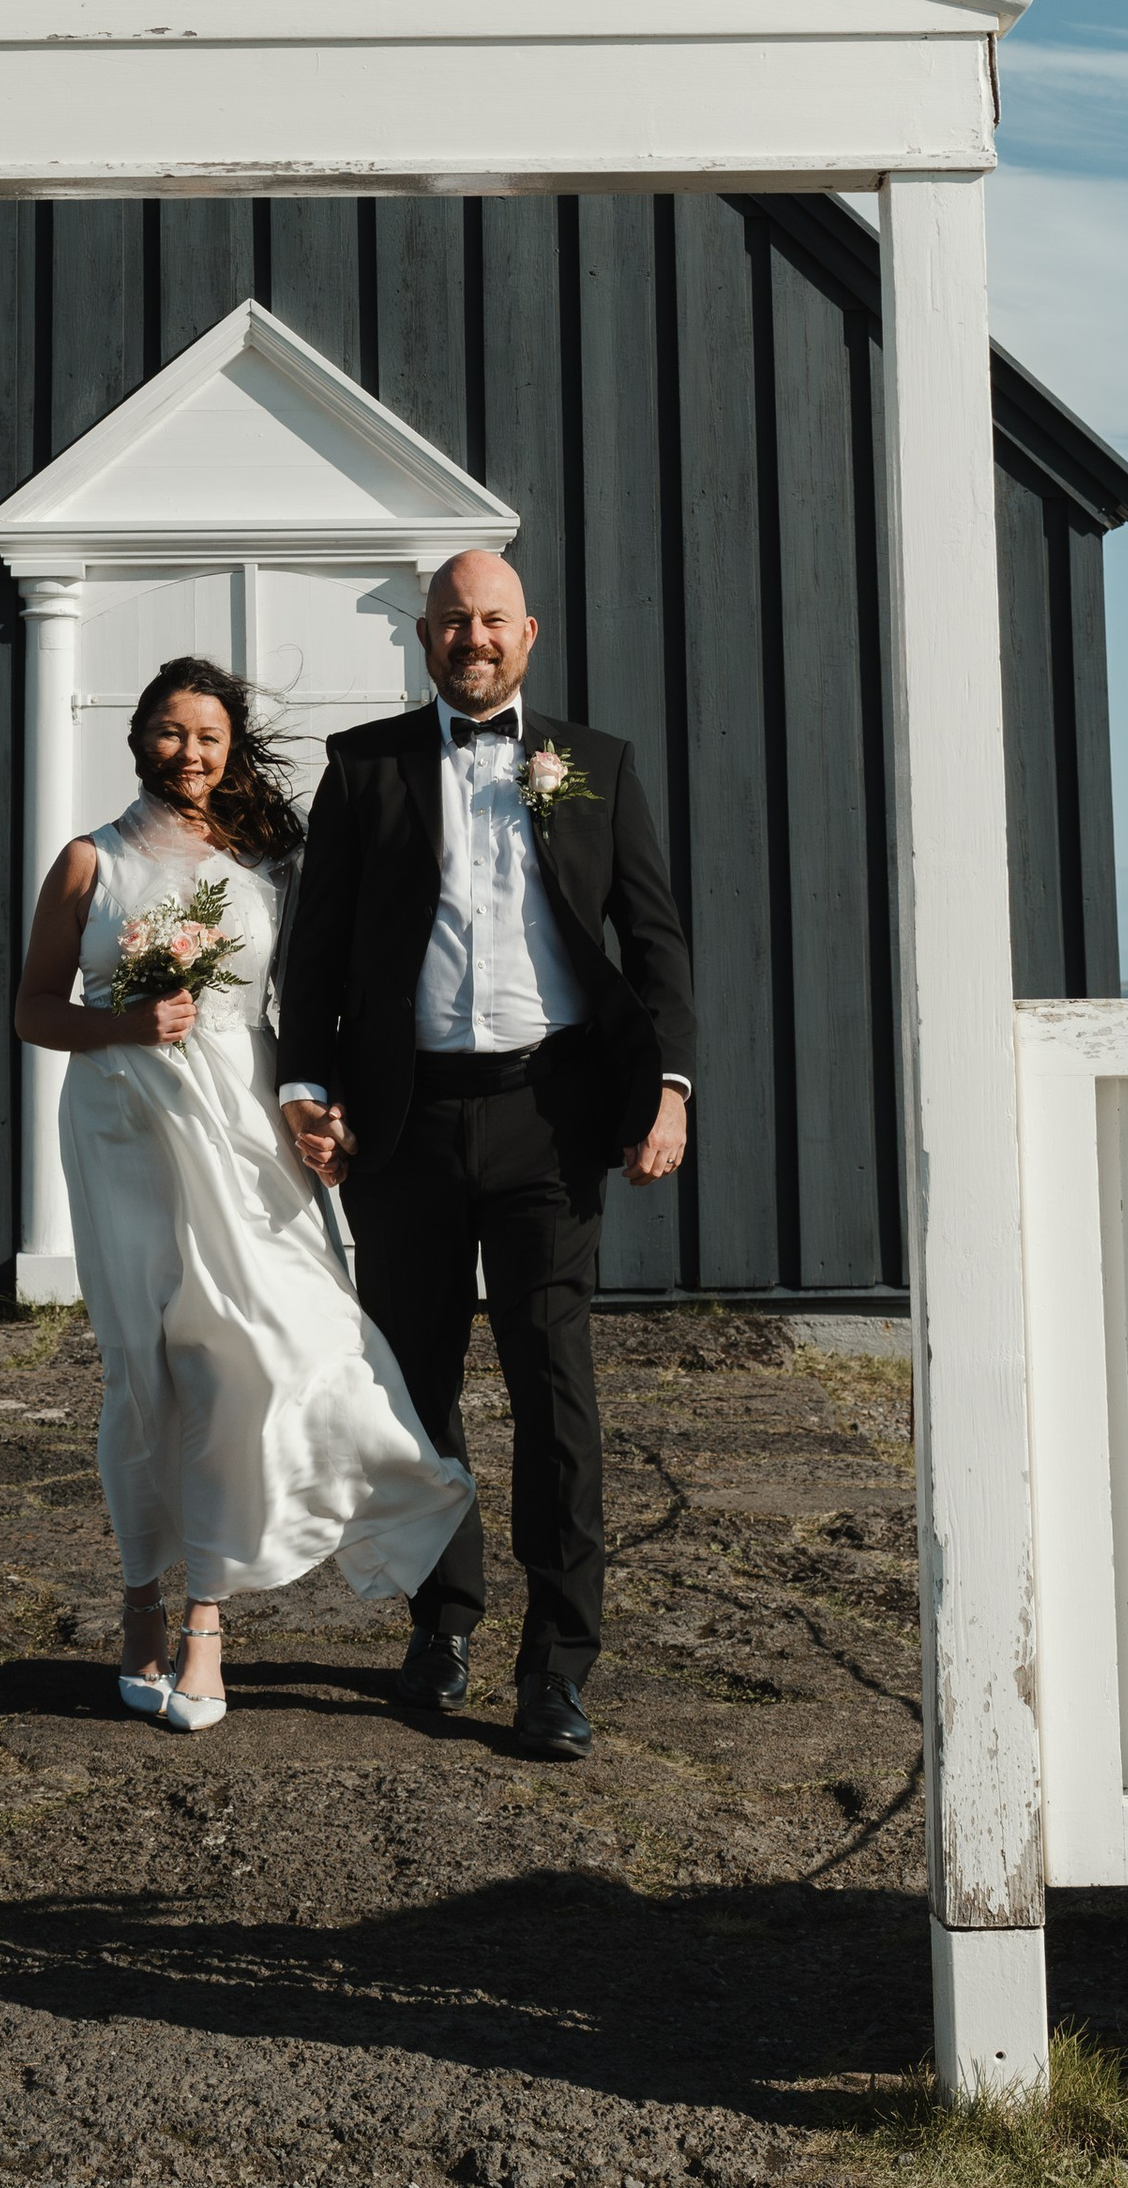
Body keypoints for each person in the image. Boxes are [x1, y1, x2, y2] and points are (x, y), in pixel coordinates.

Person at [273, 551, 696, 1761]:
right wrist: (308, 1084)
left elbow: (654, 940)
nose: (473, 636)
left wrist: (666, 1084)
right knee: (417, 1389)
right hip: (402, 1122)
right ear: (423, 634)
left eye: (492, 619)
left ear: (530, 633)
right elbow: (317, 953)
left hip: (549, 1116)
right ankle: (440, 1625)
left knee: (554, 1393)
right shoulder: (361, 768)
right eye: (453, 620)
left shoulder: (596, 764)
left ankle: (558, 1666)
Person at [14, 654, 470, 1732]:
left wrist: (319, 1107)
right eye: (172, 732)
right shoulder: (90, 861)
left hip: (244, 1118)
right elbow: (33, 1007)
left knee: (254, 1351)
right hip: (123, 1123)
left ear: (230, 747)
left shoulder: (269, 856)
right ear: (138, 738)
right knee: (146, 1373)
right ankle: (140, 1606)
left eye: (209, 735)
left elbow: (311, 996)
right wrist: (123, 1021)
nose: (192, 752)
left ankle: (208, 1617)